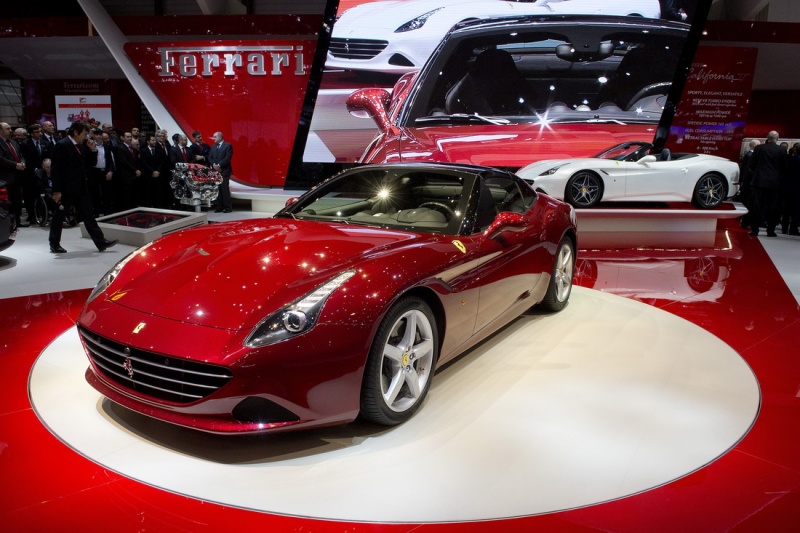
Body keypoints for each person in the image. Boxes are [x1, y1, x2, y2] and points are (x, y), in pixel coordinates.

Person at [48, 120, 117, 253]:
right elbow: (56, 169)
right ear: (75, 132)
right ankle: (54, 243)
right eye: (85, 134)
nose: (86, 137)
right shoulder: (62, 145)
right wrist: (57, 190)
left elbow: (90, 164)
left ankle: (100, 241)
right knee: (59, 216)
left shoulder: (81, 145)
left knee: (88, 214)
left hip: (80, 187)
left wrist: (93, 150)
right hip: (66, 189)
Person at [748, 130, 788, 237]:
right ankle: (770, 230)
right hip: (775, 183)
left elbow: (751, 164)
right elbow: (785, 167)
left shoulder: (759, 148)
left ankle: (755, 230)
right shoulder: (782, 150)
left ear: (767, 137)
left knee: (756, 207)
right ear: (777, 139)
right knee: (773, 207)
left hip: (759, 182)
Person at [0, 122, 27, 228]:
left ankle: (17, 221)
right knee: (7, 202)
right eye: (8, 129)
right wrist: (15, 165)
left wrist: (22, 163)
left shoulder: (13, 142)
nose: (11, 130)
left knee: (17, 200)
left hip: (17, 176)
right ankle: (8, 224)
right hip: (5, 177)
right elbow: (1, 159)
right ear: (1, 130)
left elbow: (20, 155)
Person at [208, 131, 233, 213]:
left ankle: (227, 207)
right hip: (215, 172)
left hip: (224, 171)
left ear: (220, 137)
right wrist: (214, 165)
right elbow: (210, 157)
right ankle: (219, 206)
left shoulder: (228, 145)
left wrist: (219, 165)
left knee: (224, 189)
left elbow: (227, 158)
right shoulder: (213, 147)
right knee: (217, 190)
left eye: (215, 137)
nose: (213, 138)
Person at [738, 139, 759, 230]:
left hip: (747, 182)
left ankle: (745, 221)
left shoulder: (748, 155)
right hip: (749, 182)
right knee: (748, 202)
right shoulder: (750, 155)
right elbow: (747, 169)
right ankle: (745, 221)